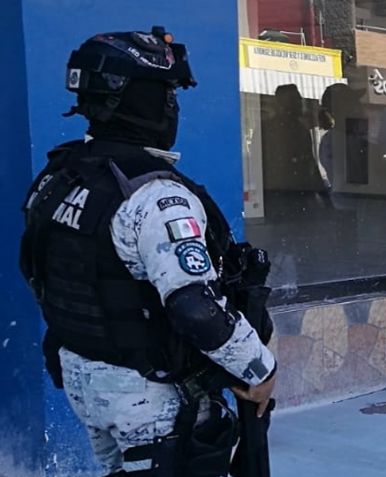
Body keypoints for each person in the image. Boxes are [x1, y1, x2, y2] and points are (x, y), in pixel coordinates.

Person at [19, 28, 278, 475]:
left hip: (85, 376)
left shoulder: (60, 176)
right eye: (166, 94)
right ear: (135, 98)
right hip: (150, 396)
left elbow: (37, 270)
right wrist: (260, 371)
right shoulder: (155, 196)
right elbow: (195, 308)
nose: (172, 106)